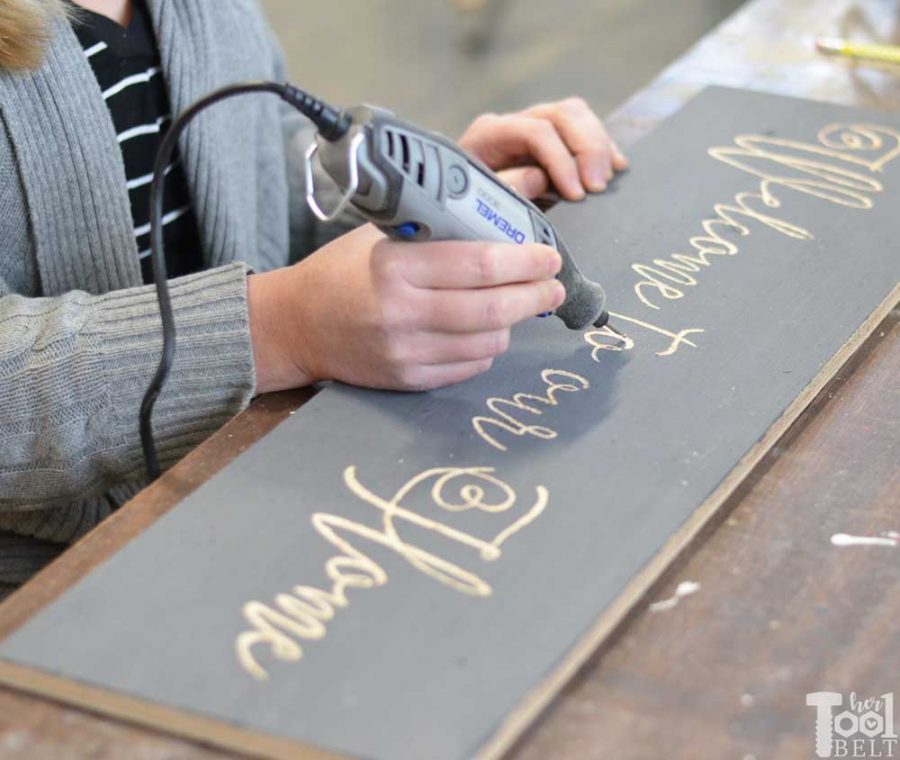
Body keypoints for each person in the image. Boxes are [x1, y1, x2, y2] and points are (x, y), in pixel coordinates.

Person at [0, 0, 627, 597]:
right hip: (51, 599)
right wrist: (282, 327)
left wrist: (417, 199)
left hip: (252, 490)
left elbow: (254, 163)